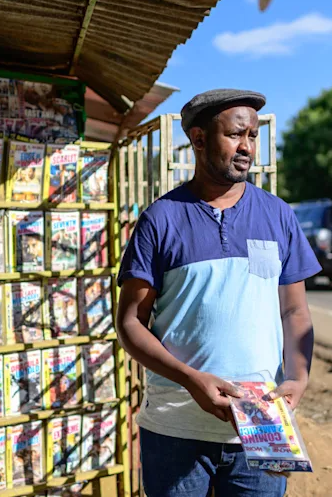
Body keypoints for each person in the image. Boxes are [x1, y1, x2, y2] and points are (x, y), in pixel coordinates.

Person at [116, 89, 321, 496]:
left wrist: (298, 377)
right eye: (235, 135)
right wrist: (191, 379)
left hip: (262, 426)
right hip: (175, 427)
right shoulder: (160, 219)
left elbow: (295, 312)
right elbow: (130, 324)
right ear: (198, 139)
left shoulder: (278, 215)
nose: (246, 147)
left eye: (253, 136)